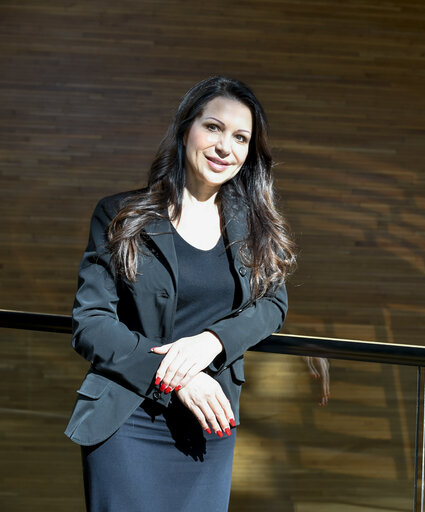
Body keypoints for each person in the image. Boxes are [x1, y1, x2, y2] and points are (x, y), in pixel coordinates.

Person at [65, 76, 309, 511]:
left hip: (208, 424)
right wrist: (178, 377)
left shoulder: (255, 228)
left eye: (240, 137)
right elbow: (91, 325)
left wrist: (213, 341)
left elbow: (274, 304)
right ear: (185, 129)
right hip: (128, 416)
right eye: (212, 127)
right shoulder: (120, 215)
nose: (224, 147)